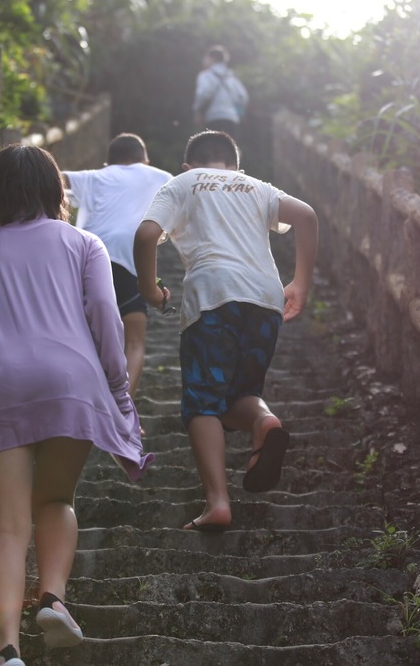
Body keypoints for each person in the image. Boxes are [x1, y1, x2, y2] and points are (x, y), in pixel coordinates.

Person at [0, 144, 154, 666]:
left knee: (6, 526)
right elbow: (106, 317)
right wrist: (118, 392)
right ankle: (53, 599)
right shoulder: (84, 243)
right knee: (55, 500)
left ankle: (6, 651)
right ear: (55, 191)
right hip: (70, 384)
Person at [133, 130, 318, 532]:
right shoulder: (255, 185)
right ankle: (263, 421)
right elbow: (306, 215)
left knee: (202, 403)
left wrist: (149, 290)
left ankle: (217, 502)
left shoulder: (182, 182)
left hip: (213, 299)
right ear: (236, 167)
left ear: (187, 166)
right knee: (237, 395)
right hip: (266, 300)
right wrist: (300, 283)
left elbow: (146, 235)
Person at [62, 133, 173, 399]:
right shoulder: (163, 177)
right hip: (131, 258)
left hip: (87, 258)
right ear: (145, 161)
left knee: (85, 338)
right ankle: (122, 408)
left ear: (108, 163)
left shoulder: (95, 177)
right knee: (134, 344)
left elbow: (52, 176)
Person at [192, 44, 248, 138]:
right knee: (230, 146)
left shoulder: (206, 75)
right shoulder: (232, 77)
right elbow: (243, 97)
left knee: (213, 146)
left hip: (213, 118)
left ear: (212, 58)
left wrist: (198, 111)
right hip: (231, 119)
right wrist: (238, 113)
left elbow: (203, 95)